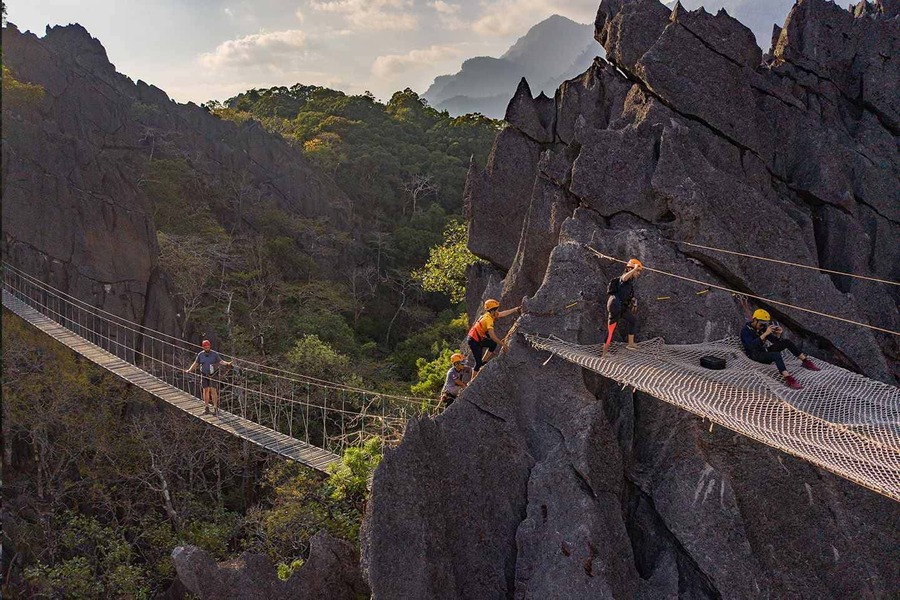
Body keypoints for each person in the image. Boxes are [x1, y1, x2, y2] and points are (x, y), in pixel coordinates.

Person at [740, 309, 820, 390]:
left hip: (763, 351)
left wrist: (778, 335)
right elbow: (750, 346)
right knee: (776, 355)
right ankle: (788, 378)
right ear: (754, 320)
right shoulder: (745, 331)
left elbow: (775, 341)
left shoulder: (762, 329)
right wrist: (765, 334)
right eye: (762, 323)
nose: (763, 326)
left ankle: (806, 361)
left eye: (765, 324)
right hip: (755, 355)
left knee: (786, 342)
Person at [467, 298, 522, 373]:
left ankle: (484, 361)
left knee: (493, 344)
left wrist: (515, 309)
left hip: (477, 338)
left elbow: (503, 313)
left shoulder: (489, 314)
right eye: (496, 310)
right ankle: (472, 382)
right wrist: (503, 345)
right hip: (473, 340)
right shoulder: (488, 320)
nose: (498, 311)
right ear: (492, 311)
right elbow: (492, 336)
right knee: (478, 363)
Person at [603, 258, 643, 356]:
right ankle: (604, 353)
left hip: (621, 306)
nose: (638, 273)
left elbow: (629, 295)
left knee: (632, 320)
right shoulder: (624, 279)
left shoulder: (630, 283)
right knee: (611, 328)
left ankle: (631, 344)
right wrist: (634, 268)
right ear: (630, 269)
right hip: (615, 306)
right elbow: (624, 278)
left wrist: (633, 301)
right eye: (637, 271)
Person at [185, 340, 232, 415]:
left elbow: (221, 361)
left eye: (208, 346)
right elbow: (196, 363)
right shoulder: (200, 355)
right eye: (205, 347)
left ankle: (215, 408)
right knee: (205, 390)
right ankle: (206, 407)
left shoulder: (214, 354)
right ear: (203, 347)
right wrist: (190, 370)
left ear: (210, 346)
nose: (207, 348)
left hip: (213, 375)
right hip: (204, 375)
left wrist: (227, 364)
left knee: (213, 391)